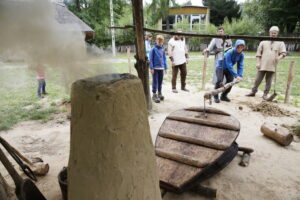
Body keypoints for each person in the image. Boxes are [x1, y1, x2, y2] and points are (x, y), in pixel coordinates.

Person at [246, 26, 287, 100]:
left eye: (275, 33)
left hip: (272, 65)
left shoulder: (281, 42)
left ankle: (265, 94)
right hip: (262, 65)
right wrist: (258, 63)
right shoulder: (263, 42)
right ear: (269, 33)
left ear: (277, 33)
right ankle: (253, 91)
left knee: (269, 81)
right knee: (257, 79)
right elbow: (258, 54)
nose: (273, 34)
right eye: (272, 33)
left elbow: (283, 53)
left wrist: (278, 58)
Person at [149, 35, 168, 103]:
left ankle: (159, 93)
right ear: (156, 40)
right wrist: (151, 68)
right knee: (155, 81)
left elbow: (164, 59)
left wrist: (165, 67)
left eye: (161, 41)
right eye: (159, 41)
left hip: (161, 68)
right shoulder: (153, 49)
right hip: (155, 68)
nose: (160, 42)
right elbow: (150, 59)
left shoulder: (162, 49)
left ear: (163, 42)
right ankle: (154, 94)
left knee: (160, 81)